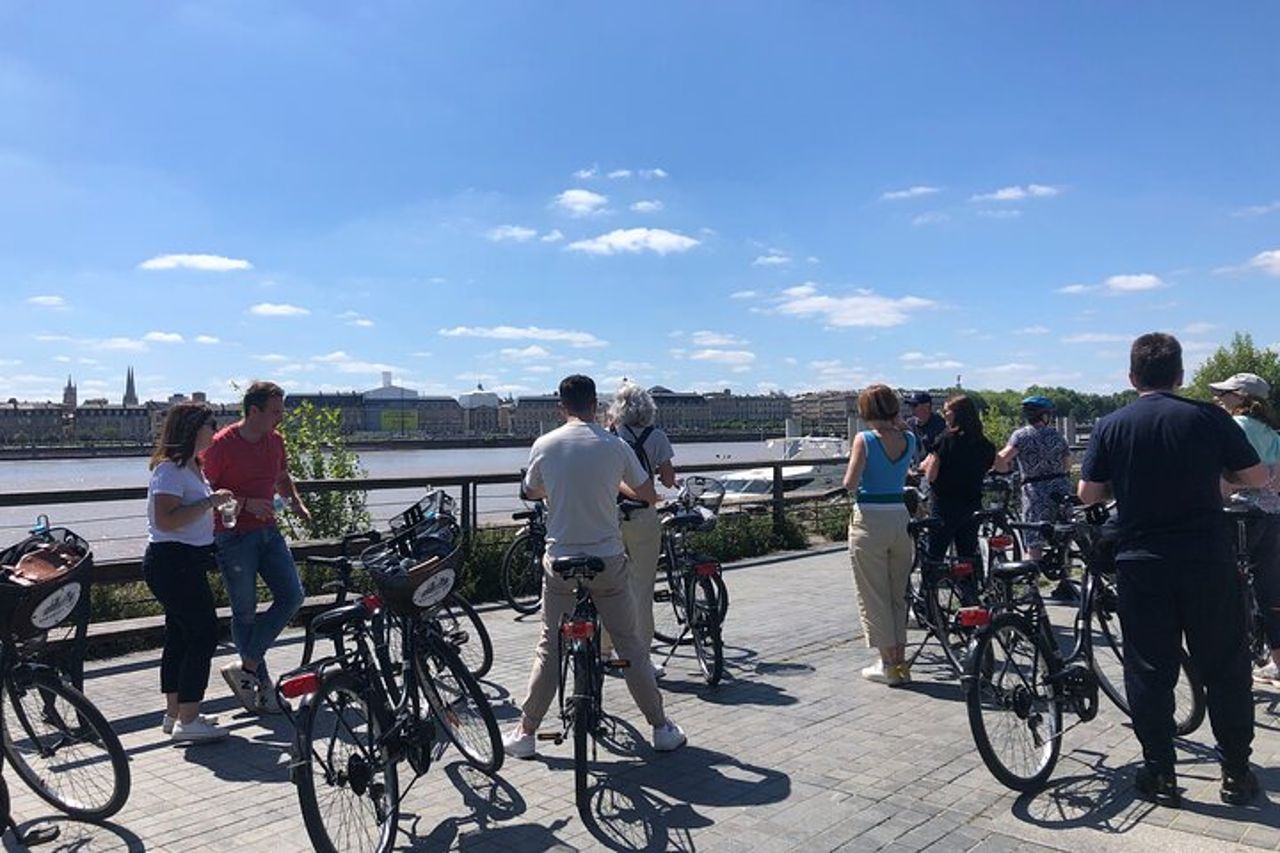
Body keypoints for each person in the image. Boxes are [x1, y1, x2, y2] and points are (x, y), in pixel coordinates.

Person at [1079, 333, 1268, 808]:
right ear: (1181, 376)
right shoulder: (1208, 418)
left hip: (1141, 563)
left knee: (1149, 670)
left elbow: (1088, 493)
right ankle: (1235, 773)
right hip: (1207, 558)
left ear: (1131, 377)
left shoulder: (1111, 424)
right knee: (1225, 667)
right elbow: (1256, 477)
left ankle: (1161, 774)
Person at [502, 375, 686, 758]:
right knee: (629, 643)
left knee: (550, 646)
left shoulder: (544, 444)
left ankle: (526, 733)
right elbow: (650, 495)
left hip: (561, 558)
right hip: (606, 559)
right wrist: (614, 485)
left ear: (561, 407)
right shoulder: (614, 445)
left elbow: (532, 490)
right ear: (597, 407)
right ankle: (661, 728)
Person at [203, 381, 311, 714]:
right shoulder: (222, 445)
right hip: (233, 537)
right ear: (254, 411)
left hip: (269, 532)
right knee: (244, 612)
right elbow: (205, 493)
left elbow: (281, 476)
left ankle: (246, 668)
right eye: (276, 411)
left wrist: (296, 502)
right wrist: (246, 503)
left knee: (293, 596)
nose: (281, 417)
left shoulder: (275, 441)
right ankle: (262, 690)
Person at [143, 402, 235, 743]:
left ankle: (176, 713)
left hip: (185, 561)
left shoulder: (194, 467)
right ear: (193, 428)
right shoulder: (170, 470)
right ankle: (189, 719)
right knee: (203, 634)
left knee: (180, 636)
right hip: (173, 561)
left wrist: (213, 503)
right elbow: (165, 520)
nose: (215, 429)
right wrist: (210, 503)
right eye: (211, 423)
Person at [601, 383, 677, 677]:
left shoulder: (609, 437)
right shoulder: (656, 437)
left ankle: (604, 651)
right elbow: (668, 479)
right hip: (644, 515)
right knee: (642, 589)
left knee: (609, 587)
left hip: (611, 516)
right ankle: (640, 659)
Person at [843, 384, 916, 685]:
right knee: (897, 594)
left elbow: (850, 482)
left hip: (870, 520)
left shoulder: (865, 439)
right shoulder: (909, 439)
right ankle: (901, 663)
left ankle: (888, 666)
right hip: (900, 517)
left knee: (874, 595)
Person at [1210, 372, 1280, 682]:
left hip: (1238, 515)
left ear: (1241, 397)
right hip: (1272, 514)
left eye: (1225, 394)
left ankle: (1230, 666)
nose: (1218, 398)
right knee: (1271, 590)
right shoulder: (1272, 433)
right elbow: (1275, 482)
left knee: (1222, 588)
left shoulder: (1232, 427)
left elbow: (1222, 480)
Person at [994, 396, 1075, 600]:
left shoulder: (1020, 436)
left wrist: (1001, 469)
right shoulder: (1057, 435)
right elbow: (1067, 462)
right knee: (1064, 533)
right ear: (1045, 415)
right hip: (1060, 487)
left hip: (1035, 489)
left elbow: (1002, 459)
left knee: (1034, 539)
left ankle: (1034, 588)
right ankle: (1065, 581)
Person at [920, 396, 995, 596]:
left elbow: (931, 475)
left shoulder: (945, 440)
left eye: (947, 411)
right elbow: (990, 466)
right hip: (971, 506)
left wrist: (926, 467)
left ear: (957, 415)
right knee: (967, 557)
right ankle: (969, 598)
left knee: (934, 557)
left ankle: (926, 603)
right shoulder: (984, 444)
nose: (944, 415)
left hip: (944, 506)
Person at [904, 391, 945, 462]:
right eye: (910, 405)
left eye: (914, 405)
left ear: (926, 406)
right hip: (914, 467)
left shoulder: (940, 424)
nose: (911, 408)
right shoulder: (909, 424)